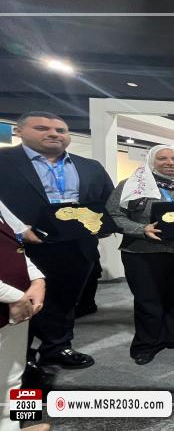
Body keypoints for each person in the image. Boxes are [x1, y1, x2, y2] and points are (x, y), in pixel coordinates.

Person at [0, 111, 114, 370]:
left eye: (61, 130)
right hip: (21, 248)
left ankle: (57, 347)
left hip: (77, 246)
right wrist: (18, 229)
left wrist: (104, 225)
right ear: (19, 131)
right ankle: (22, 355)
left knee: (65, 300)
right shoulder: (4, 161)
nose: (53, 134)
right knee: (20, 300)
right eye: (42, 128)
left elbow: (107, 201)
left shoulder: (90, 166)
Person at [106, 145, 174, 365]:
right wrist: (141, 229)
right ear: (151, 161)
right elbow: (114, 215)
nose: (170, 163)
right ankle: (147, 344)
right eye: (162, 158)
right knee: (148, 299)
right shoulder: (132, 185)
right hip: (143, 252)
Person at [1, 200, 47, 431]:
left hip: (17, 305)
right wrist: (14, 296)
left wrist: (38, 279)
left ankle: (12, 427)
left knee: (13, 372)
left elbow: (15, 246)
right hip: (13, 300)